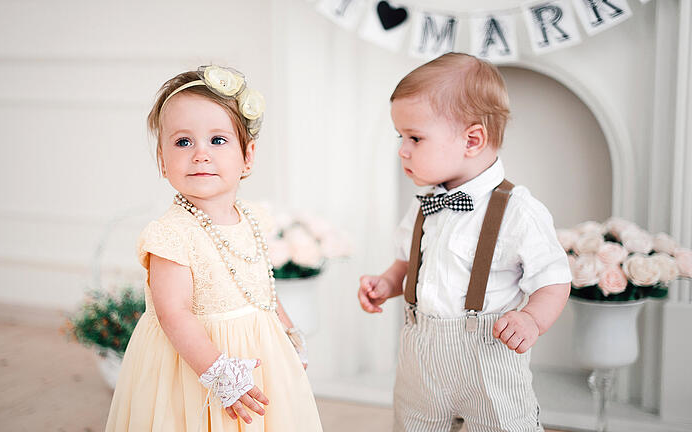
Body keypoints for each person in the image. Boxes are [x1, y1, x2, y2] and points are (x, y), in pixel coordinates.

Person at [357, 53, 572, 431]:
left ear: (472, 140)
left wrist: (531, 320)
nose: (402, 150)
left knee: (504, 425)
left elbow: (553, 279)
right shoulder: (424, 204)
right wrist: (387, 283)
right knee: (414, 424)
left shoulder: (519, 211)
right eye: (400, 137)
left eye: (415, 138)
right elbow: (408, 263)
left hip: (488, 357)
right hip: (421, 359)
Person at [106, 65, 322, 432]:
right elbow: (173, 313)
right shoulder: (171, 234)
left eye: (217, 140)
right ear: (162, 159)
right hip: (196, 365)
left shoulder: (253, 217)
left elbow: (263, 288)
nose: (200, 154)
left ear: (247, 156)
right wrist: (220, 372)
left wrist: (288, 331)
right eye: (183, 142)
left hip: (257, 353)